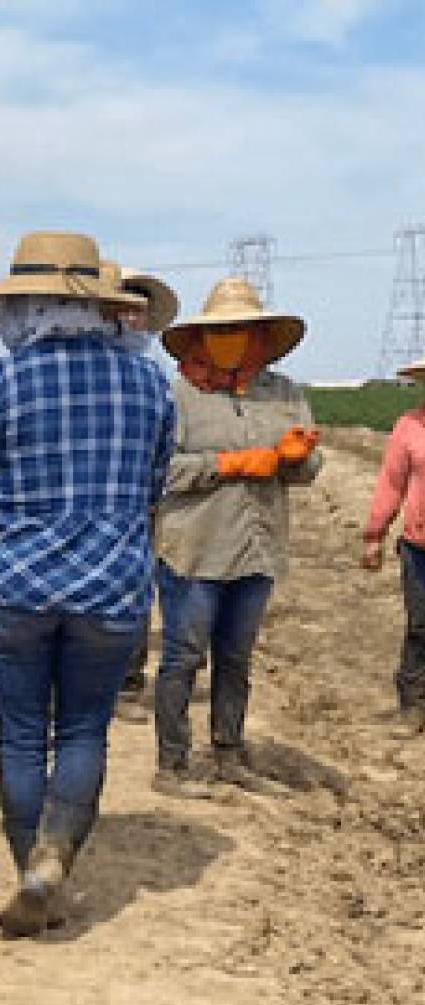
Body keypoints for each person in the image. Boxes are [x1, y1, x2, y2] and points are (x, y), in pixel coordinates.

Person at [0, 232, 176, 938]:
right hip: (115, 587)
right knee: (83, 730)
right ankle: (55, 861)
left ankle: (30, 873)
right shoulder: (149, 383)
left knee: (19, 733)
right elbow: (156, 485)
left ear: (24, 307)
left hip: (15, 587)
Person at [153, 277, 321, 798]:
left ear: (260, 336)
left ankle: (229, 753)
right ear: (203, 339)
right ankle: (172, 765)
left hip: (257, 545)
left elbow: (308, 466)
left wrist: (297, 459)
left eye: (242, 329)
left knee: (237, 656)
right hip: (195, 547)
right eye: (222, 329)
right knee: (183, 654)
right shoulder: (175, 394)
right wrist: (225, 464)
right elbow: (156, 472)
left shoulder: (283, 393)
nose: (232, 338)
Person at [105, 264, 180, 723]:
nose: (134, 320)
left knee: (134, 590)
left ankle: (127, 685)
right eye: (125, 310)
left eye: (141, 312)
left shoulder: (153, 379)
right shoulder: (72, 372)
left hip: (140, 504)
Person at [361, 353, 425, 733]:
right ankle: (413, 704)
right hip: (419, 545)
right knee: (421, 625)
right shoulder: (409, 427)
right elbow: (392, 483)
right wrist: (375, 535)